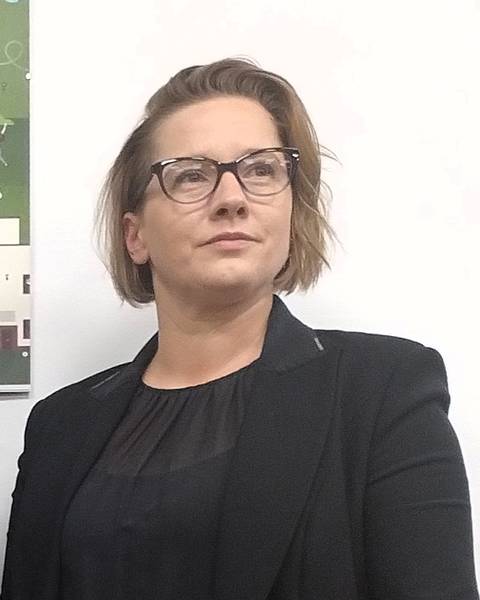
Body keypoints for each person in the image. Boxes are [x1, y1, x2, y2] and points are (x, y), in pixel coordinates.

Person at [1, 57, 478, 600]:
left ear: (291, 213)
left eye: (261, 170)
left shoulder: (384, 391)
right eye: (190, 175)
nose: (232, 198)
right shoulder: (59, 426)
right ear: (136, 236)